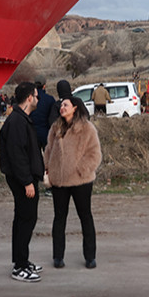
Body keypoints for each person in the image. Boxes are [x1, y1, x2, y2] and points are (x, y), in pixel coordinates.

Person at [45, 96, 102, 269]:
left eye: (65, 105)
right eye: (61, 105)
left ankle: (90, 256)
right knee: (59, 219)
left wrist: (81, 170)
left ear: (75, 108)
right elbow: (48, 150)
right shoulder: (56, 127)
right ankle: (58, 256)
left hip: (81, 181)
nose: (62, 108)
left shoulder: (87, 128)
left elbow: (95, 154)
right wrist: (48, 168)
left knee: (85, 217)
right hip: (59, 182)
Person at [0, 82, 45, 282]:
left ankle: (22, 260)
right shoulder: (17, 121)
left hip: (26, 177)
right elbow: (17, 155)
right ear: (29, 98)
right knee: (26, 220)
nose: (38, 99)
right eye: (36, 96)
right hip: (22, 180)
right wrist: (27, 182)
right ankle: (20, 267)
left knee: (23, 219)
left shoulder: (21, 119)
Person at [31, 80, 56, 152]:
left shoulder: (30, 99)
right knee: (48, 156)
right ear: (44, 86)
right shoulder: (50, 99)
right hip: (46, 132)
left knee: (35, 157)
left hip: (33, 133)